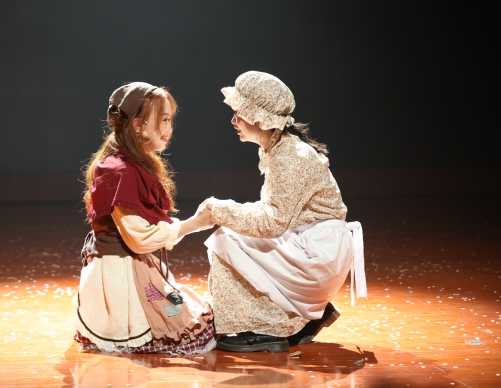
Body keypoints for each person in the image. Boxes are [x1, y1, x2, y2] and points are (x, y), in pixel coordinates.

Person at [203, 71, 367, 353]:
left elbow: (272, 223)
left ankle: (265, 328)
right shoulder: (279, 149)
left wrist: (221, 211)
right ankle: (301, 316)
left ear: (258, 117)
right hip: (314, 245)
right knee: (233, 234)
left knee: (225, 240)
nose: (233, 121)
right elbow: (273, 212)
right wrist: (224, 209)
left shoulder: (290, 156)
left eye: (238, 113)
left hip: (318, 253)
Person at [73, 82, 215, 354]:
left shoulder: (129, 163)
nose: (169, 128)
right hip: (121, 273)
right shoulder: (119, 170)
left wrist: (194, 223)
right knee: (192, 331)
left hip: (132, 266)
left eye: (170, 120)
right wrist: (195, 223)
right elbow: (139, 238)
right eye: (164, 120)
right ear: (138, 125)